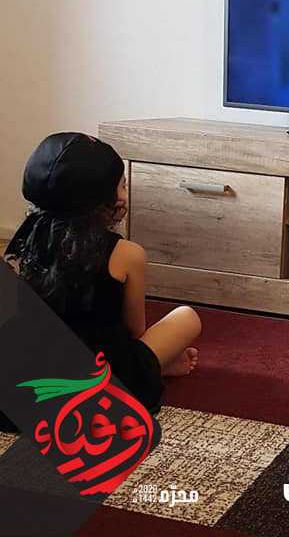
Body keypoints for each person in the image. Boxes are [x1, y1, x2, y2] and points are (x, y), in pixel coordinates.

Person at [1, 133, 202, 429]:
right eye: (123, 185)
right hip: (95, 388)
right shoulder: (127, 254)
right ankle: (159, 364)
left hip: (21, 393)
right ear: (109, 198)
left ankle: (159, 363)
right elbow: (134, 331)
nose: (125, 192)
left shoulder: (18, 247)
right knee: (187, 318)